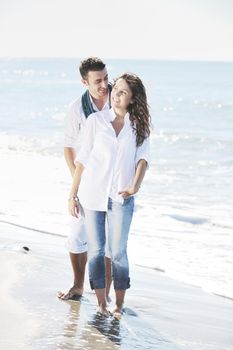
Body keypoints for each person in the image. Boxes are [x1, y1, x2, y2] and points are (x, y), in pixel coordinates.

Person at [68, 73, 151, 317]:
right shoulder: (96, 121)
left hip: (121, 197)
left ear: (133, 99)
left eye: (123, 92)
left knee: (117, 252)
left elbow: (142, 160)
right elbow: (82, 160)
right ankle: (101, 303)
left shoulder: (139, 127)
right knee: (95, 251)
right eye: (116, 90)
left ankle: (119, 304)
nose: (115, 94)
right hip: (92, 194)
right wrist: (72, 195)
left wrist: (134, 187)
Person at [57, 57, 112, 300]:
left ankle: (106, 295)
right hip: (86, 179)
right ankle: (78, 285)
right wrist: (76, 182)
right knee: (77, 233)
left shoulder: (119, 98)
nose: (104, 85)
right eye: (98, 81)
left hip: (113, 179)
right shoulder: (77, 109)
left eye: (106, 78)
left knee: (111, 239)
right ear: (84, 82)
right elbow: (68, 147)